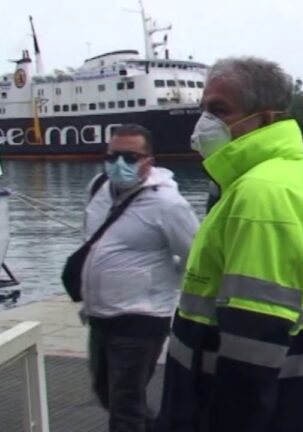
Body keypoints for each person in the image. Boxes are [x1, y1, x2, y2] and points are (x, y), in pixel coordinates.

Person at [156, 57, 303, 432]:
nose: (204, 122)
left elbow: (253, 341)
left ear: (265, 118)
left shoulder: (261, 194)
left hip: (246, 410)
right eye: (204, 109)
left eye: (219, 109)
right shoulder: (291, 173)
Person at [82, 124, 199, 432]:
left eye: (130, 157)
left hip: (141, 318)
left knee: (125, 406)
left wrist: (162, 282)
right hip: (99, 316)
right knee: (106, 394)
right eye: (113, 155)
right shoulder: (97, 187)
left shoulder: (167, 204)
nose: (120, 164)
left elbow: (194, 252)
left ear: (149, 160)